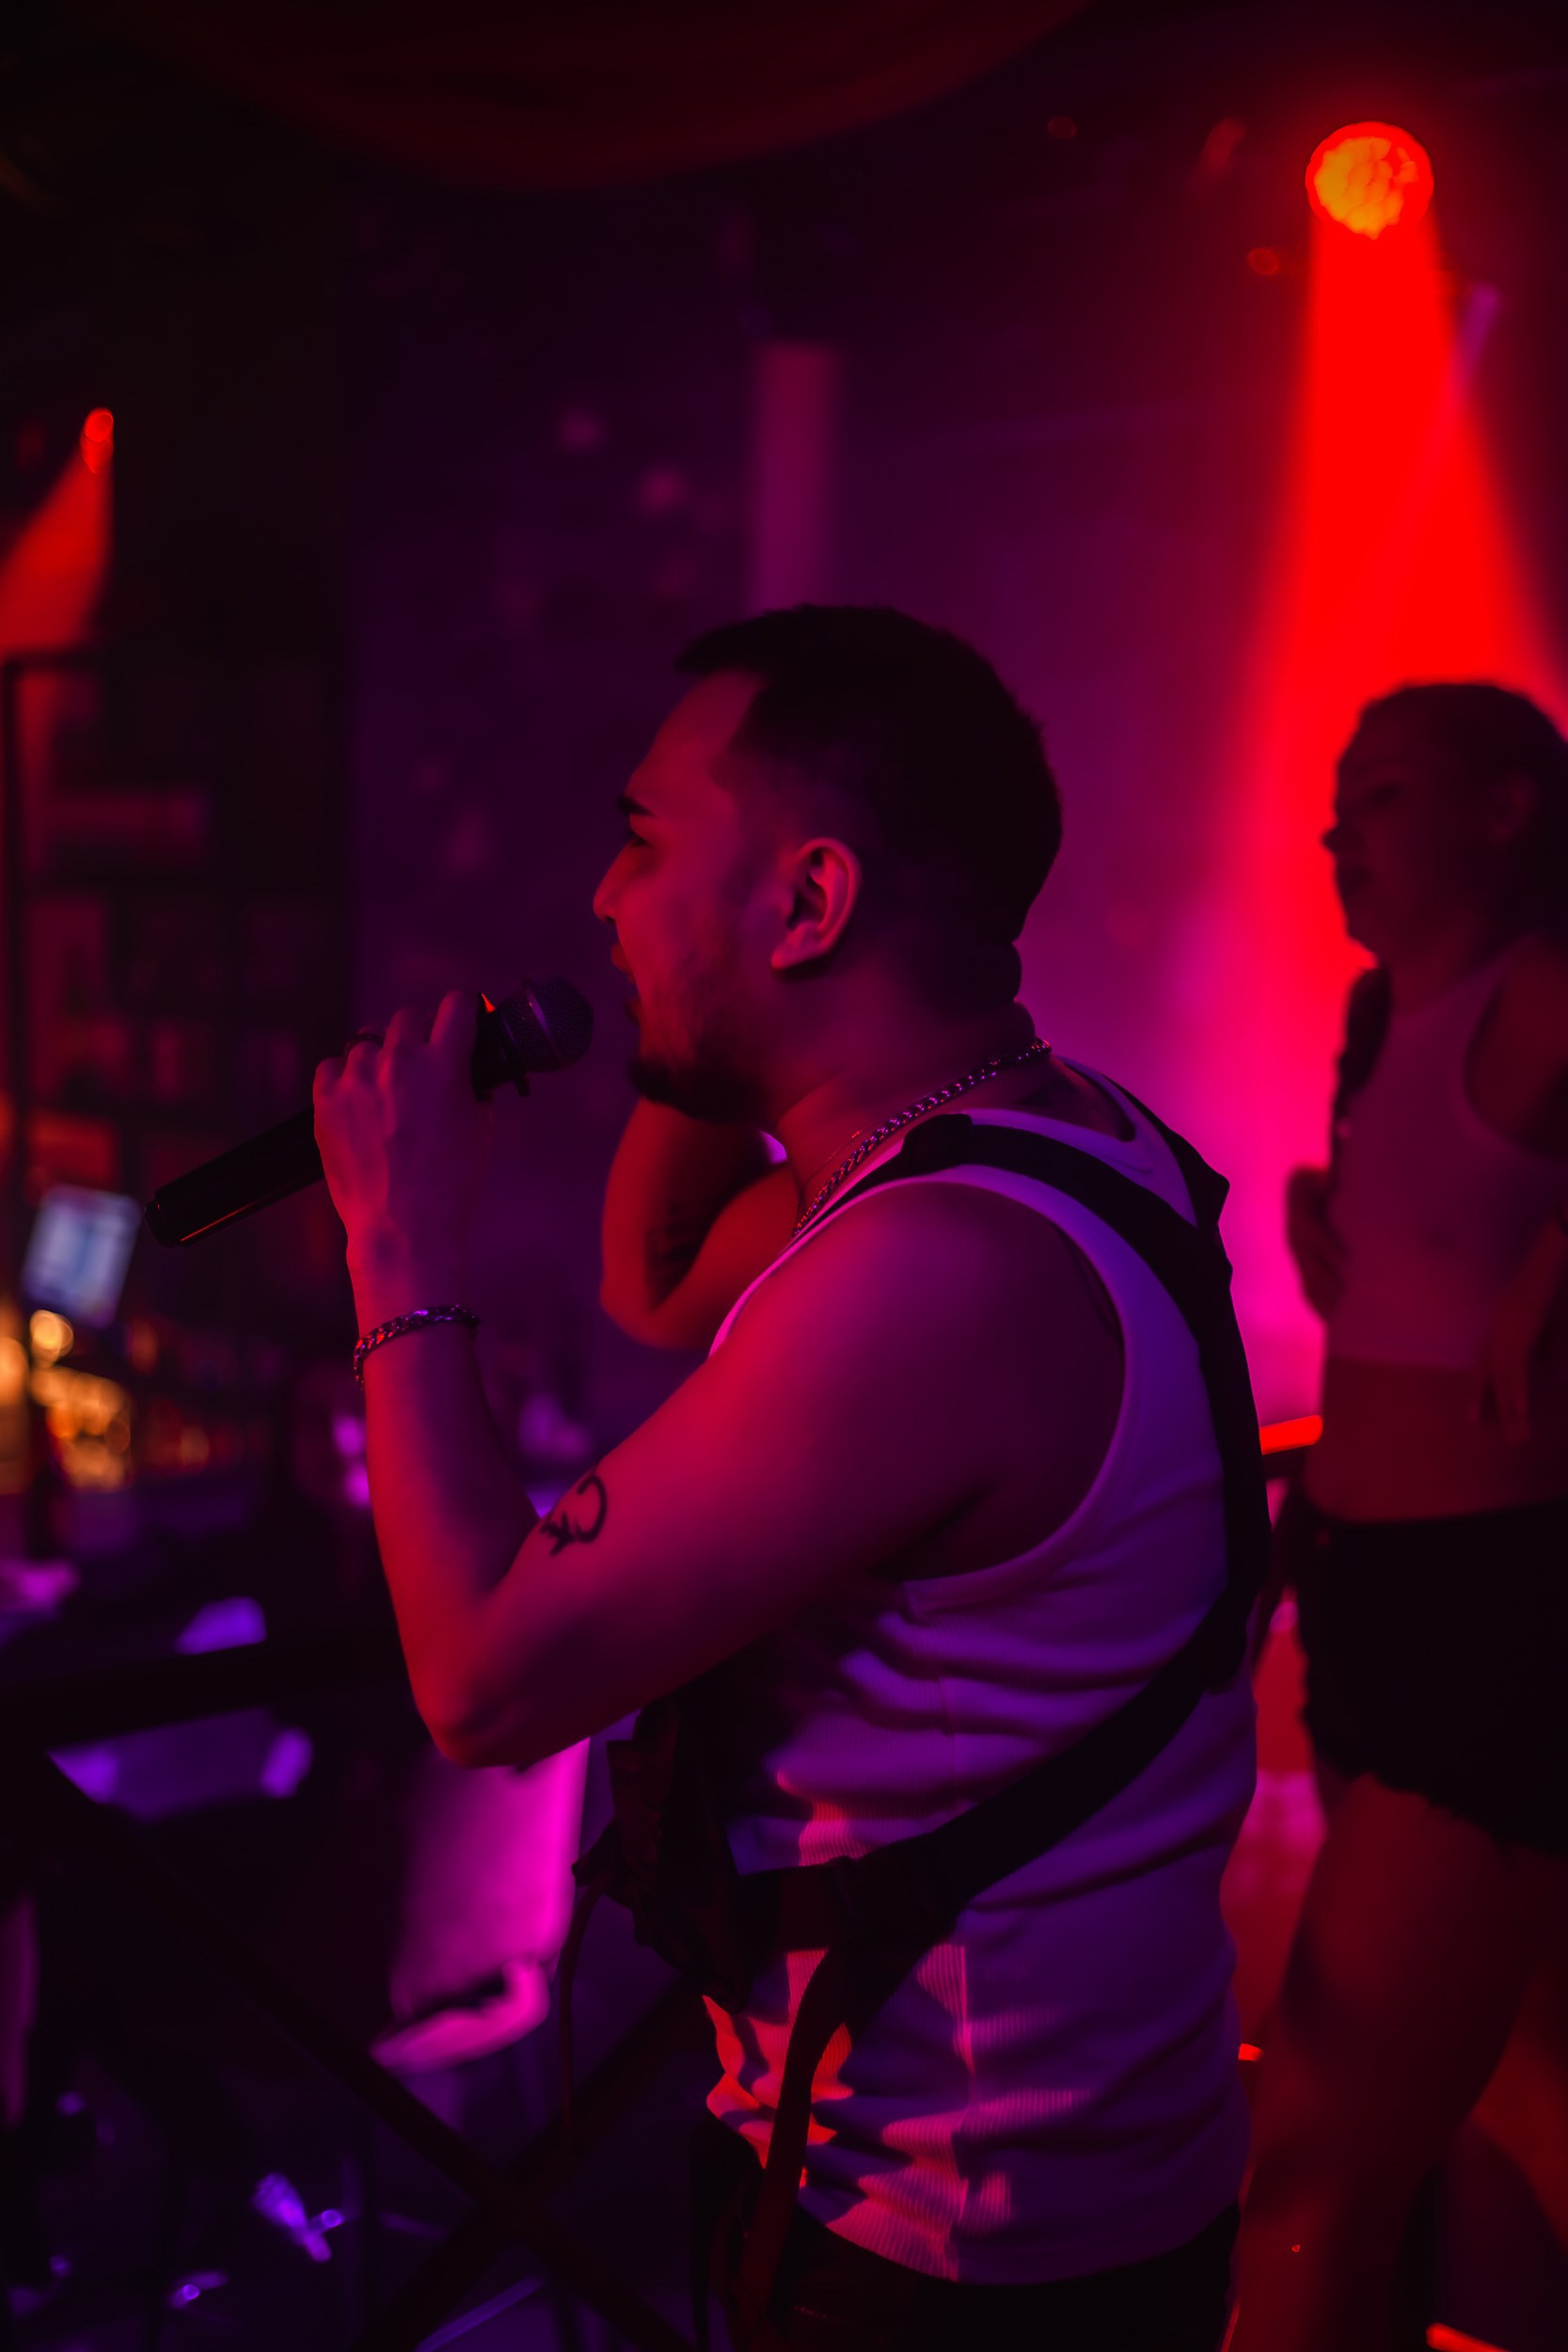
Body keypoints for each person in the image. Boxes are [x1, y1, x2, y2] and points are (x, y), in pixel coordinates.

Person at [313, 606, 1259, 2350]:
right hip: (1052, 2203)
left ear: (812, 900)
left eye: (644, 841)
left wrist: (397, 1246)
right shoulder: (1051, 1135)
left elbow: (481, 1681)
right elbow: (661, 1273)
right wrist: (719, 1009)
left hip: (953, 2248)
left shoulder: (936, 1275)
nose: (600, 898)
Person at [1231, 683, 1568, 2352]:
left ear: (1506, 811)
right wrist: (1320, 1190)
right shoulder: (1380, 1013)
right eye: (1336, 799)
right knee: (1488, 2081)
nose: (1333, 831)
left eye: (1380, 795)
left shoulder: (1544, 991)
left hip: (1489, 1606)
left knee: (1313, 2154)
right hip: (1357, 1585)